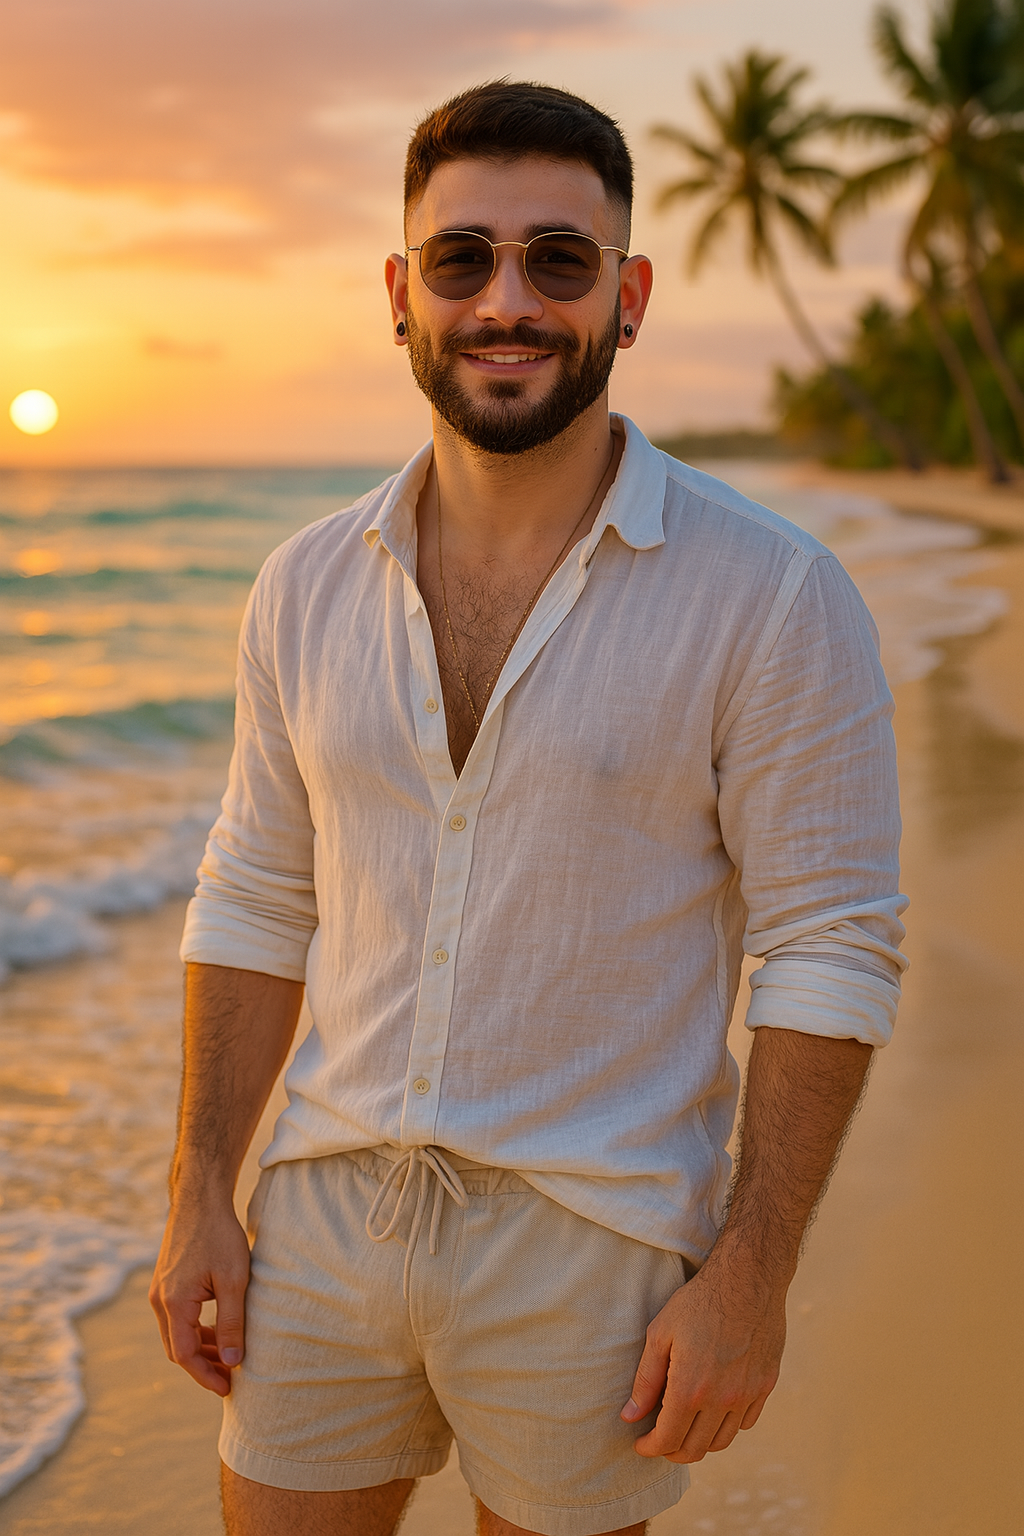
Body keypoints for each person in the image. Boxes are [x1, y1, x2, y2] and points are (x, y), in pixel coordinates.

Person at [150, 81, 906, 1536]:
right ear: (401, 292)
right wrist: (199, 1195)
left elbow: (829, 946)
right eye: (463, 259)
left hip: (598, 1242)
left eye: (558, 261)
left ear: (624, 297)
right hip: (320, 1219)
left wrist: (750, 1276)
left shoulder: (772, 594)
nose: (509, 300)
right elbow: (258, 889)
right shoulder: (304, 585)